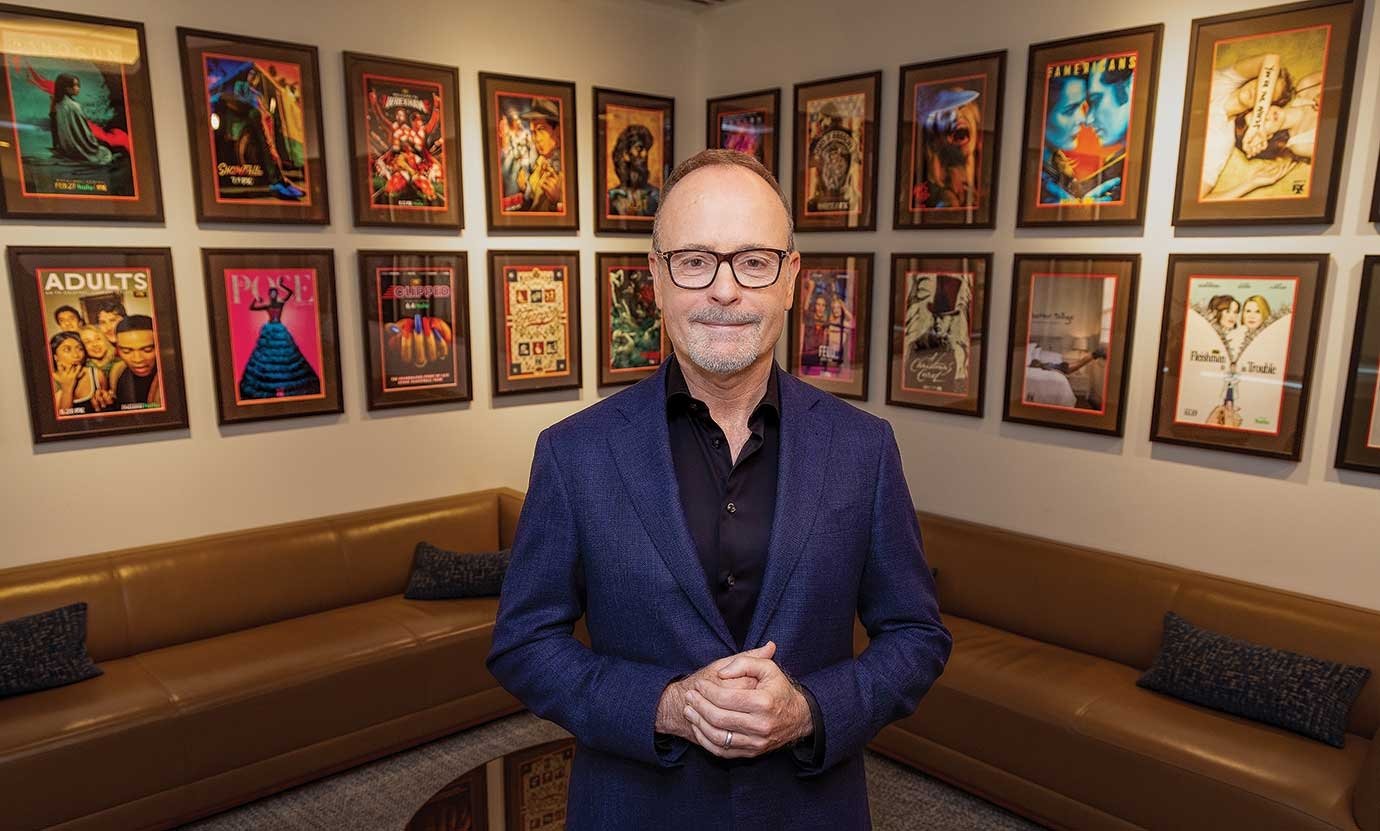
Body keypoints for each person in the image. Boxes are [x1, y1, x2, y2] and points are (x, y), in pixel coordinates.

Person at [486, 148, 951, 830]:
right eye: (696, 260)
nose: (725, 291)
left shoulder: (863, 448)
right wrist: (665, 704)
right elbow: (524, 643)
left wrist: (811, 708)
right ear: (656, 278)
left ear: (791, 278)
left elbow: (915, 634)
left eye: (753, 260)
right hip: (635, 810)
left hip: (809, 811)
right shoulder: (574, 452)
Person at [49, 331, 111, 415]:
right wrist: (67, 389)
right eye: (67, 350)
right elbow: (63, 421)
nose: (76, 355)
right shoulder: (52, 383)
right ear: (55, 357)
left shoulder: (96, 374)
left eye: (80, 349)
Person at [108, 315, 161, 408]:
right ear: (117, 350)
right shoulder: (117, 371)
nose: (138, 359)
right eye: (126, 351)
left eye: (147, 350)